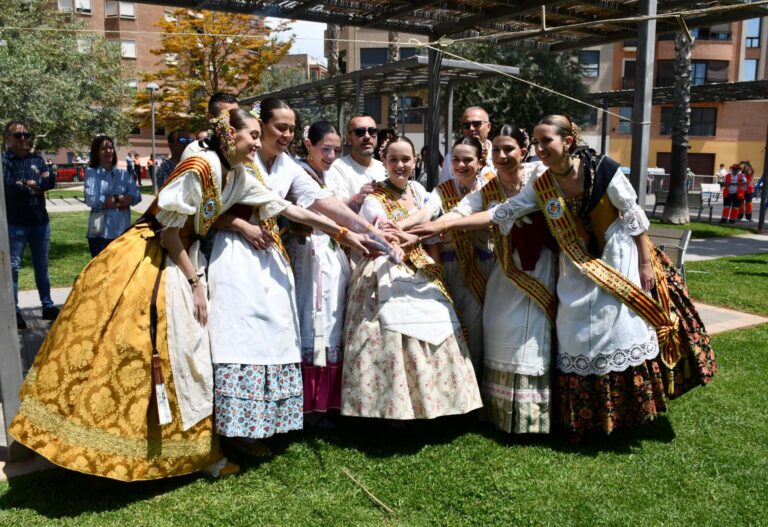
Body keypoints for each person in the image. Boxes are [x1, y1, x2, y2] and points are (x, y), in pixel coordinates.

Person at [9, 108, 297, 481]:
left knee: (185, 352)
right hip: (155, 259)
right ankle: (110, 447)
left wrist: (342, 230)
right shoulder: (199, 167)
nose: (259, 143)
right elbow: (168, 232)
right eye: (253, 135)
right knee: (162, 348)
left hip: (180, 257)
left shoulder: (235, 171)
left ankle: (190, 452)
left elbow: (283, 208)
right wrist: (195, 283)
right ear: (230, 135)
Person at [412, 115, 716, 439]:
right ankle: (590, 419)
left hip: (619, 257)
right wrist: (441, 225)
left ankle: (627, 415)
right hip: (576, 265)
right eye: (538, 142)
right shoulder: (542, 184)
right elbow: (505, 210)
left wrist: (643, 263)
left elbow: (633, 214)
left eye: (547, 141)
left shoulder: (603, 170)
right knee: (576, 333)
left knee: (617, 328)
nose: (541, 148)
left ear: (567, 142)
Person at [206, 98, 401, 455]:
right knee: (240, 335)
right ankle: (234, 429)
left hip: (270, 257)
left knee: (275, 335)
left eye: (292, 128)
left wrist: (365, 232)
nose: (286, 135)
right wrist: (240, 226)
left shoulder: (289, 167)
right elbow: (207, 211)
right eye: (280, 127)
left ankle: (266, 422)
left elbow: (322, 203)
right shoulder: (235, 159)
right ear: (259, 126)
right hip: (235, 256)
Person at [341, 135, 482, 421]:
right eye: (393, 159)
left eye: (406, 159)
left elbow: (430, 216)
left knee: (439, 322)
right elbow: (382, 230)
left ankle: (438, 404)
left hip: (419, 263)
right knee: (391, 333)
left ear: (415, 160)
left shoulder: (419, 191)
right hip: (386, 266)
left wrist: (411, 230)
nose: (400, 165)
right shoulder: (374, 196)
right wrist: (412, 235)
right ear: (385, 162)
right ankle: (391, 408)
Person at [283, 121, 350, 422]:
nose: (332, 155)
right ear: (308, 145)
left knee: (331, 319)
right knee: (308, 318)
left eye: (336, 150)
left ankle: (327, 401)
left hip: (329, 255)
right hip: (305, 255)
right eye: (326, 149)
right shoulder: (296, 172)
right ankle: (306, 403)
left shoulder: (328, 175)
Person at [428, 136, 495, 371]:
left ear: (480, 161)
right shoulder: (442, 190)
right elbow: (428, 211)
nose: (460, 165)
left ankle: (478, 386)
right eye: (455, 159)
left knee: (482, 329)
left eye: (468, 160)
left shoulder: (491, 187)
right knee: (458, 326)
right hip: (453, 269)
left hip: (486, 266)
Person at [3, 121, 58, 330]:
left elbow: (49, 181)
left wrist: (27, 183)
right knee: (14, 268)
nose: (23, 138)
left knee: (42, 267)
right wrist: (33, 185)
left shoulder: (37, 159)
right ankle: (14, 311)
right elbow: (9, 187)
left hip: (40, 223)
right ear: (7, 138)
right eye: (18, 136)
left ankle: (47, 306)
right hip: (15, 223)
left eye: (27, 134)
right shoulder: (4, 161)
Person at [83, 134, 141, 257]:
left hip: (122, 232)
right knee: (101, 274)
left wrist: (115, 198)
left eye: (110, 148)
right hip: (101, 235)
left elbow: (136, 196)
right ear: (96, 153)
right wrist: (124, 202)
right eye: (103, 149)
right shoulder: (92, 173)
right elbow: (92, 200)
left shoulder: (123, 174)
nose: (108, 151)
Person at [328, 113, 386, 212]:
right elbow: (337, 209)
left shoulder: (384, 167)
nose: (367, 136)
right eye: (360, 132)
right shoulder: (338, 167)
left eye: (372, 131)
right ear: (348, 139)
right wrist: (357, 199)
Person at [438, 106, 495, 184]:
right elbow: (443, 190)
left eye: (476, 124)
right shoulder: (451, 157)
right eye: (466, 125)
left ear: (488, 127)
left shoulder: (498, 155)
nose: (471, 128)